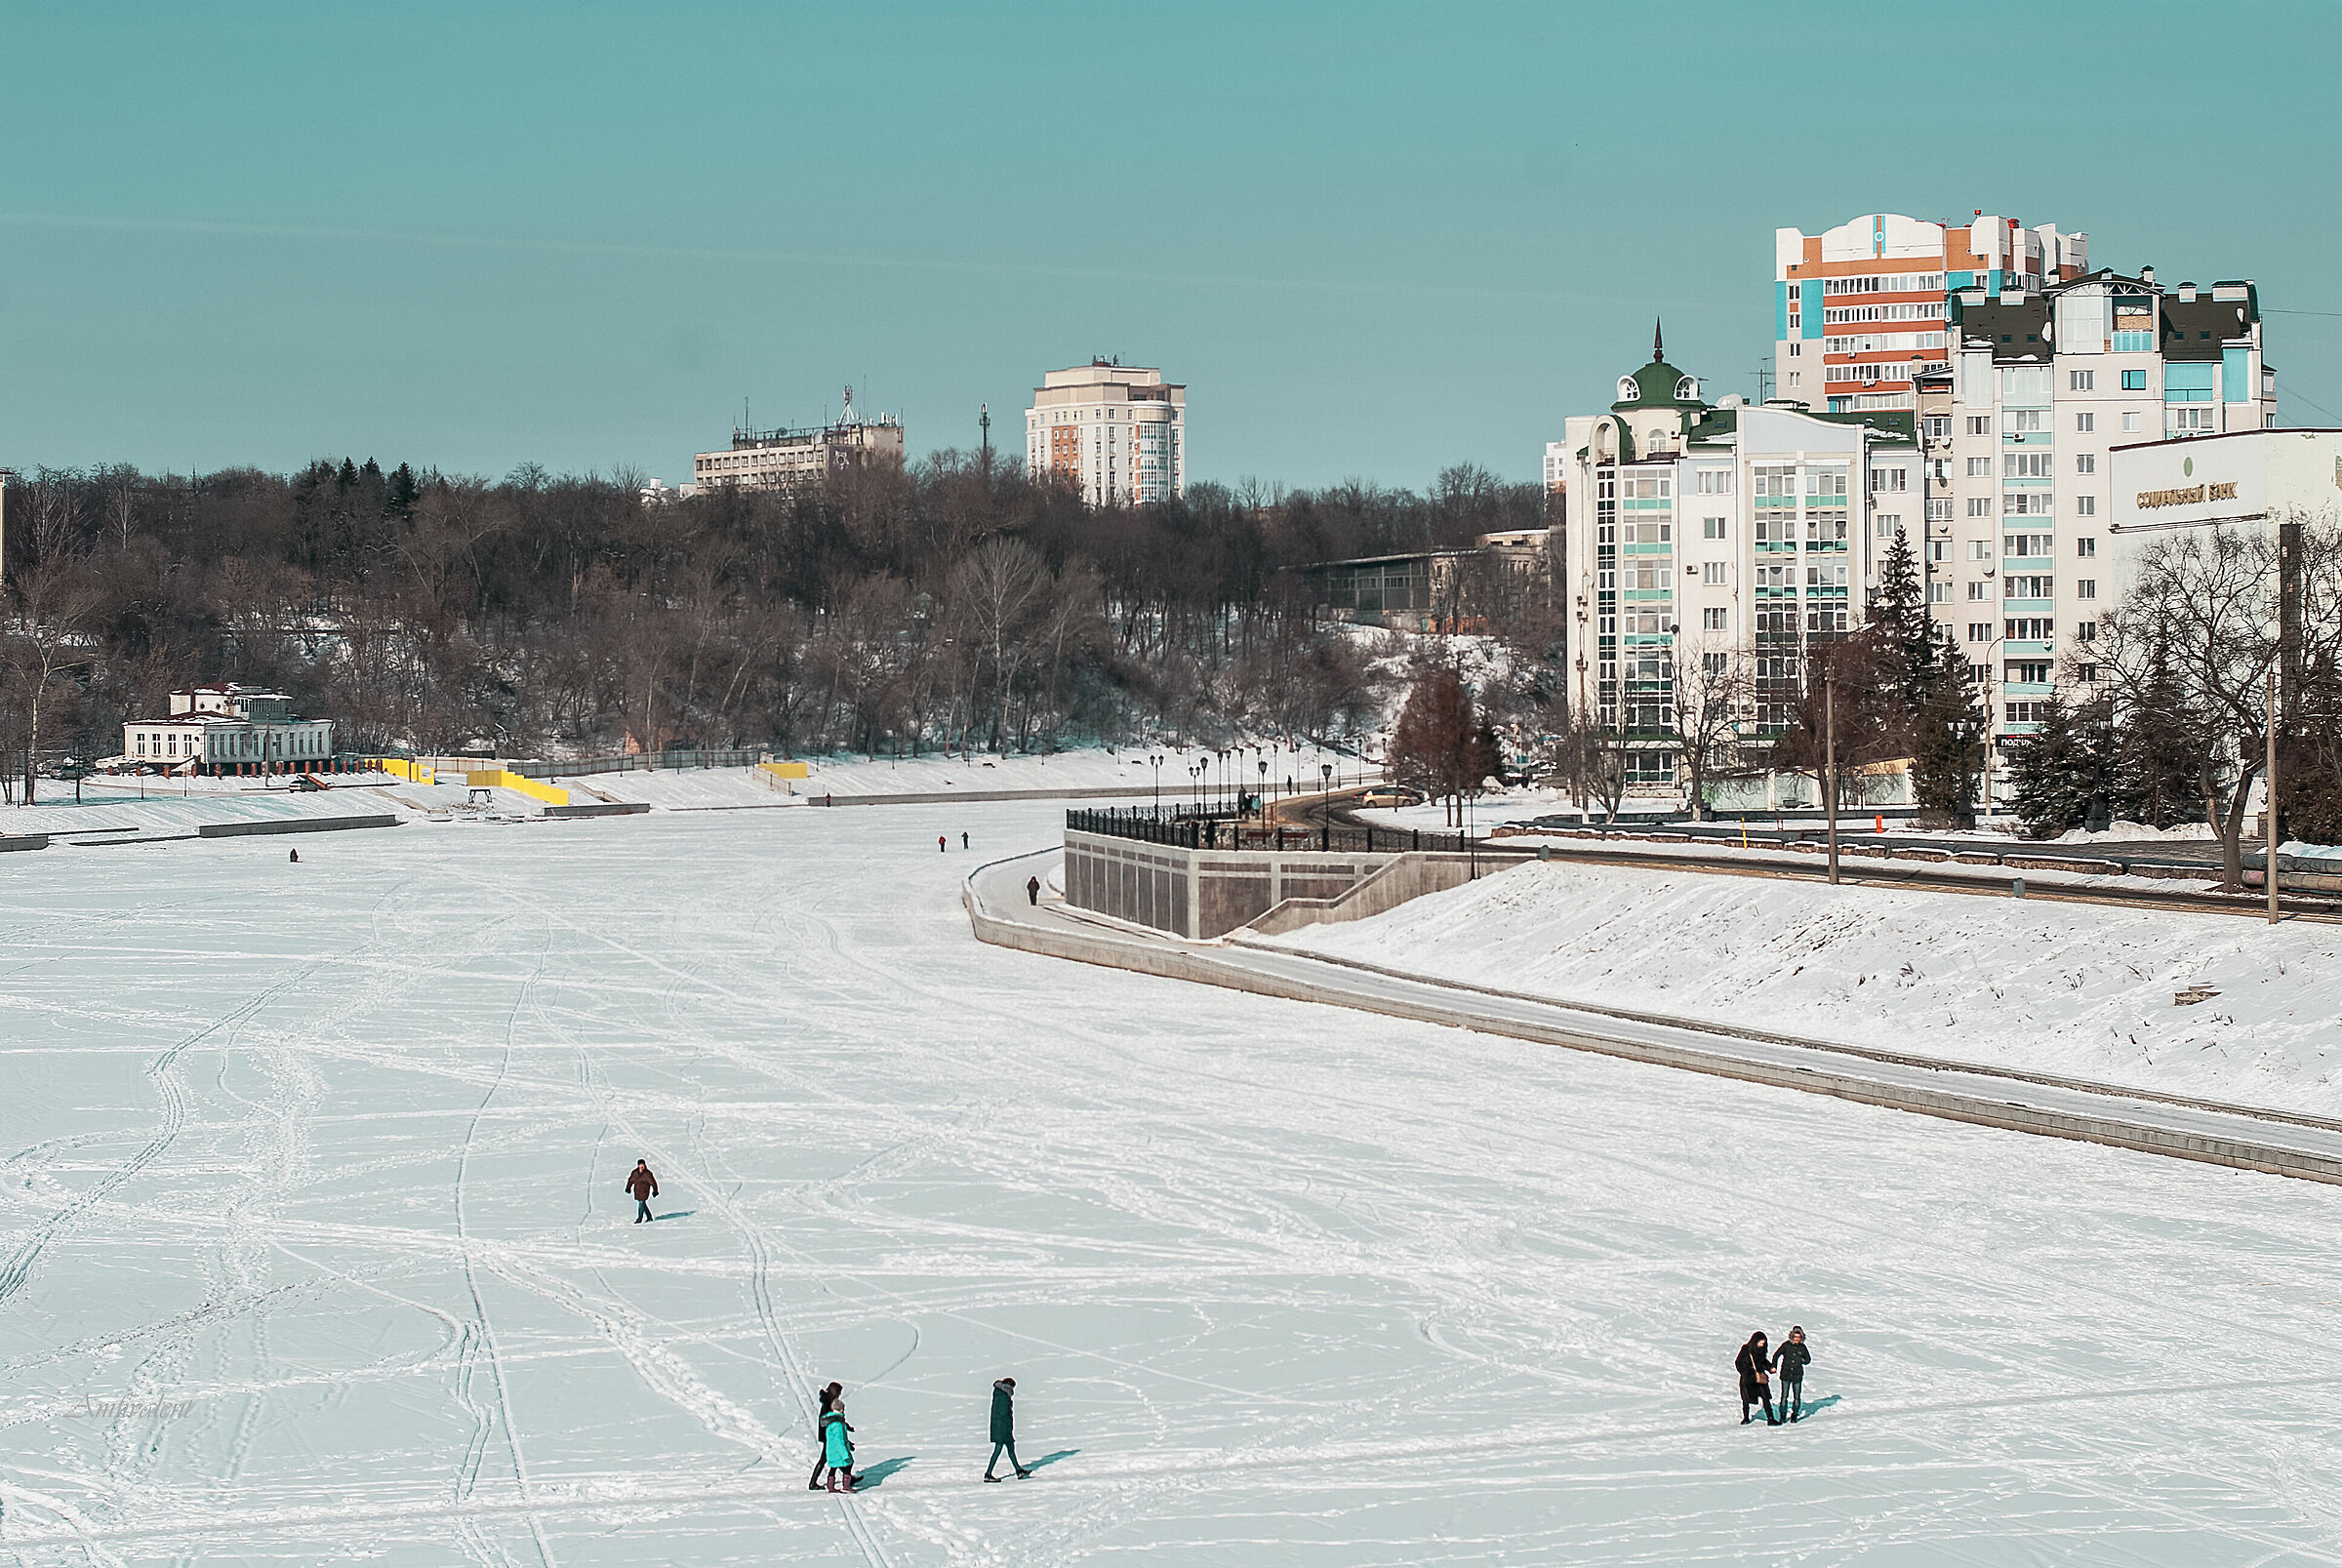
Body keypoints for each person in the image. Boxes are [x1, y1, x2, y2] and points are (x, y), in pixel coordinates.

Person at [985, 1376, 1030, 1480]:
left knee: (1010, 1448)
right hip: (1003, 1428)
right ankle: (988, 1474)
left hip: (999, 1427)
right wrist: (1008, 1427)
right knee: (999, 1449)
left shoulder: (999, 1394)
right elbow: (1005, 1414)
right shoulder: (1004, 1396)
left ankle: (1018, 1470)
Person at [1736, 1331, 1779, 1426]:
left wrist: (1770, 1368)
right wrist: (1746, 1372)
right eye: (1760, 1343)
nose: (1761, 1345)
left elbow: (1763, 1362)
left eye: (1763, 1343)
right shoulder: (1746, 1349)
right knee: (1746, 1399)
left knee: (1765, 1398)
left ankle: (1771, 1419)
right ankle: (1746, 1418)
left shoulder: (1761, 1350)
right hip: (1748, 1379)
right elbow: (1738, 1363)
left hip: (1759, 1378)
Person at [808, 1382, 844, 1489]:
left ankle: (848, 1477)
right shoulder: (828, 1404)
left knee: (832, 1456)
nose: (840, 1395)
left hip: (827, 1434)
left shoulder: (827, 1401)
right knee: (826, 1458)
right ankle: (812, 1483)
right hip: (829, 1435)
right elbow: (830, 1419)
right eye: (839, 1393)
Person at [1774, 1326, 1812, 1422]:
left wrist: (1801, 1360)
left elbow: (1808, 1359)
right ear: (1792, 1336)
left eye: (1799, 1337)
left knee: (1797, 1397)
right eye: (1795, 1337)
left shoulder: (1803, 1347)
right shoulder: (1786, 1345)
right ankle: (1782, 1415)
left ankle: (1794, 1415)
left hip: (1797, 1374)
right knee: (1784, 1396)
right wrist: (1774, 1366)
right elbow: (1776, 1355)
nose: (1797, 1339)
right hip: (1786, 1374)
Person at [823, 1388, 858, 1492]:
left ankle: (830, 1486)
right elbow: (839, 1440)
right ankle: (846, 1485)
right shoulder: (838, 1424)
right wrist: (844, 1453)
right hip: (839, 1451)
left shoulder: (831, 1422)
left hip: (831, 1450)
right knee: (848, 1465)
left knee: (833, 1468)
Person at [626, 1159, 659, 1224]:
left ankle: (643, 1218)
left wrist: (655, 1191)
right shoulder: (635, 1172)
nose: (641, 1166)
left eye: (642, 1165)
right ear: (638, 1165)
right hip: (637, 1191)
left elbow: (653, 1183)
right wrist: (628, 1187)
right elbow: (631, 1180)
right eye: (640, 1165)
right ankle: (645, 1218)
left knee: (641, 1203)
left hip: (644, 1191)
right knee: (641, 1204)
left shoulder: (647, 1173)